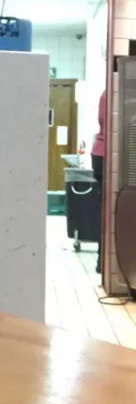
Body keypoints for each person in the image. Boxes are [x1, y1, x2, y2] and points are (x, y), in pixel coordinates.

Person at [91, 89, 106, 273]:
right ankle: (103, 261)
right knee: (109, 210)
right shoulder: (112, 92)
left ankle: (102, 261)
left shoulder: (106, 93)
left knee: (105, 208)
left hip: (100, 152)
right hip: (105, 153)